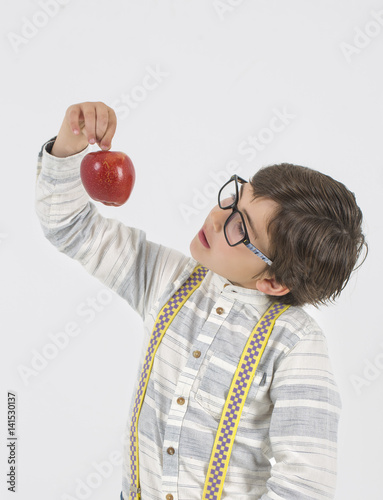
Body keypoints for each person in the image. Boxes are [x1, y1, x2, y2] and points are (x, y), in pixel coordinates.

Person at [35, 101, 367, 500]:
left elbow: (305, 486)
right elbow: (69, 227)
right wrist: (68, 150)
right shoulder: (169, 279)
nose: (215, 216)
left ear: (275, 281)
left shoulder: (296, 344)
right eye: (234, 199)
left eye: (239, 227)